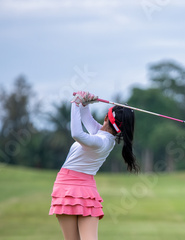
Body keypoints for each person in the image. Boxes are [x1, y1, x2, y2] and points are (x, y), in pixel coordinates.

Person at [49, 91, 139, 240]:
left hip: (69, 186)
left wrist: (75, 103)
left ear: (106, 117)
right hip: (76, 188)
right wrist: (85, 104)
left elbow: (77, 134)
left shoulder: (101, 141)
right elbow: (87, 119)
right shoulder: (103, 137)